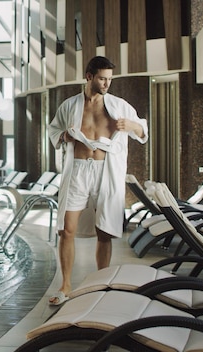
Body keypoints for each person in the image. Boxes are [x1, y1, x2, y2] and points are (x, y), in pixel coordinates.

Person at [48, 56, 149, 305]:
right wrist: (64, 137)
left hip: (107, 170)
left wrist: (133, 125)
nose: (106, 84)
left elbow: (143, 132)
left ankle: (101, 284)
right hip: (78, 171)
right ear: (89, 77)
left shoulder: (119, 105)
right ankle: (65, 286)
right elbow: (53, 131)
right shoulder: (69, 106)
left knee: (104, 232)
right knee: (66, 230)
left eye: (110, 79)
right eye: (102, 78)